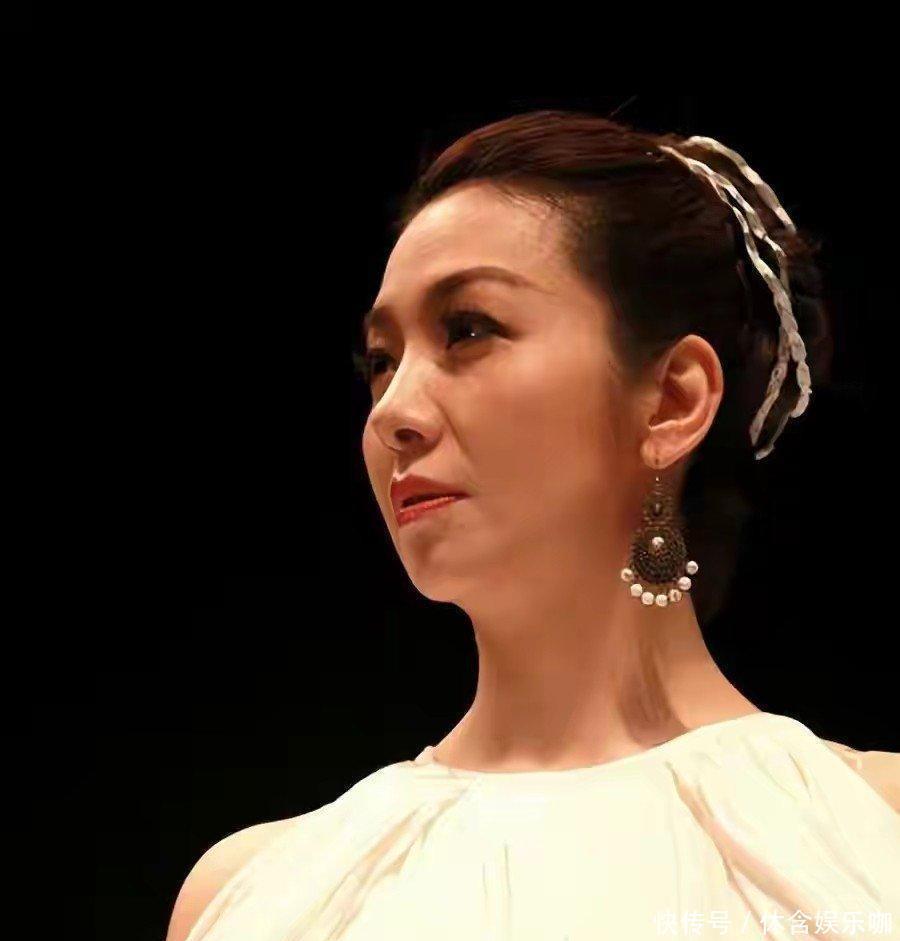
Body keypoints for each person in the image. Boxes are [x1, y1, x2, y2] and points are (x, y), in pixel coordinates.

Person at [167, 110, 900, 941]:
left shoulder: (867, 838)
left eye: (468, 330)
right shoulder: (260, 893)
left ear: (673, 399)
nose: (393, 412)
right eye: (381, 361)